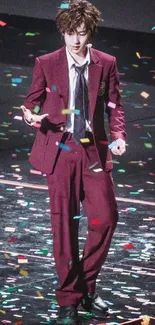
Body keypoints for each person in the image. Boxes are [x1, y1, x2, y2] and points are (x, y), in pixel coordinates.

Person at [21, 0, 126, 324]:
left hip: (93, 150)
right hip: (61, 150)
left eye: (81, 34)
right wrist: (31, 116)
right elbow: (31, 101)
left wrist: (119, 135)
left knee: (106, 219)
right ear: (63, 32)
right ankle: (69, 300)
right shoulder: (47, 62)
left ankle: (85, 286)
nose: (75, 40)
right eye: (70, 33)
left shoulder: (105, 63)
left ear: (89, 33)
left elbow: (114, 106)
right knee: (64, 228)